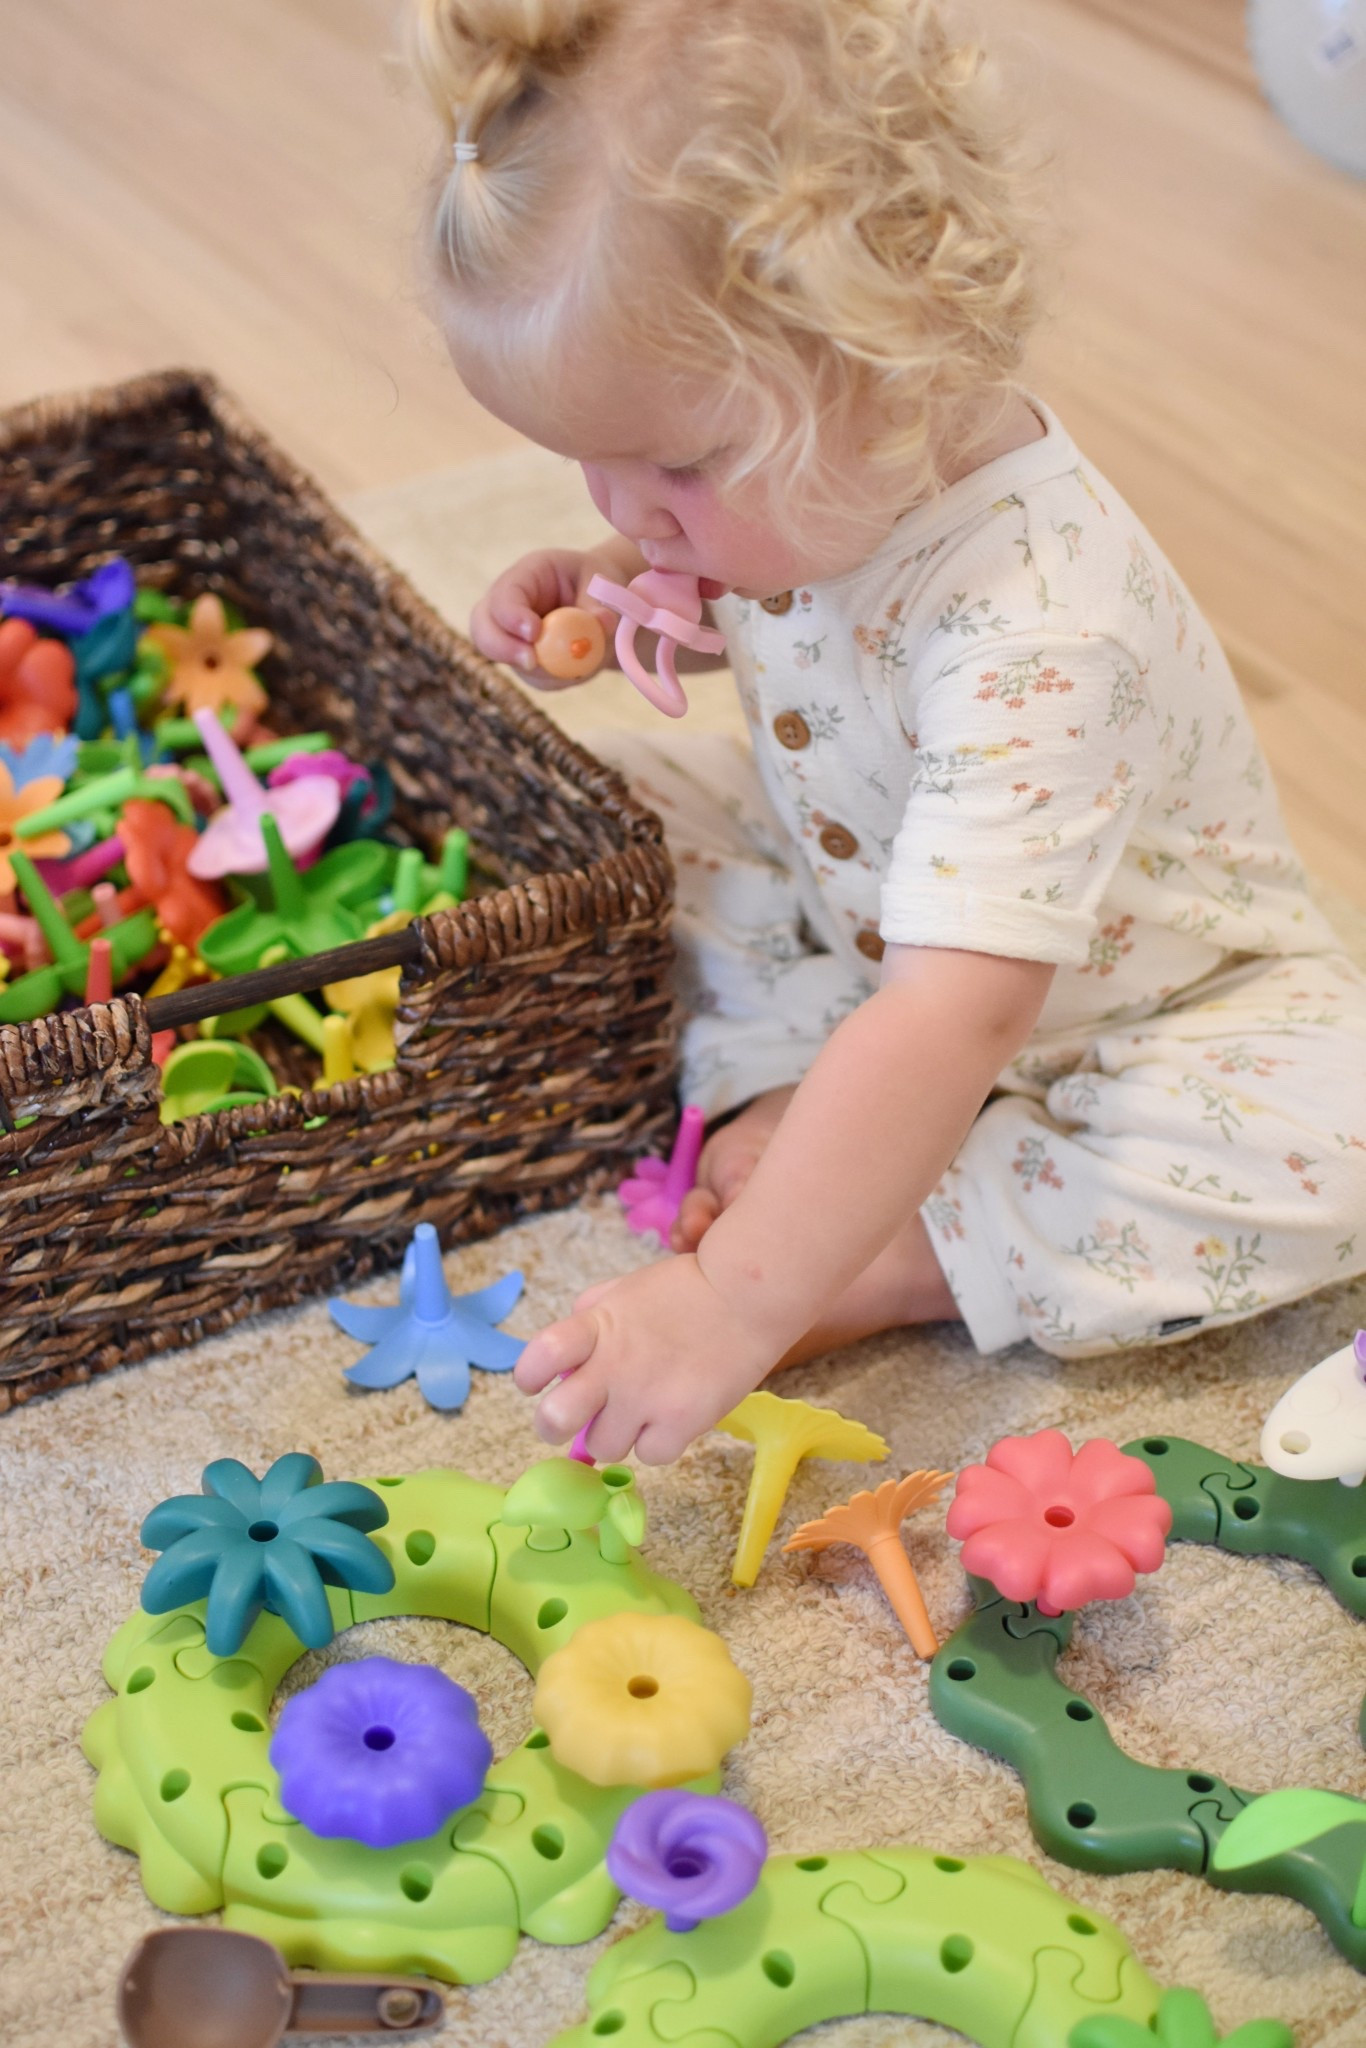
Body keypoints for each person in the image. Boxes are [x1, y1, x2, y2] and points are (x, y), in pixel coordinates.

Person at [411, 0, 1366, 1464]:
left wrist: (734, 1296)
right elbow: (787, 633)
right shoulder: (831, 472)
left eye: (670, 463)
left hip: (1145, 1022)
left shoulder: (1042, 628)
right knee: (613, 801)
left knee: (1334, 1140)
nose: (620, 507)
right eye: (588, 465)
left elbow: (955, 1013)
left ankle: (893, 1246)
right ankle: (811, 1095)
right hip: (865, 910)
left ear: (892, 350)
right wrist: (622, 593)